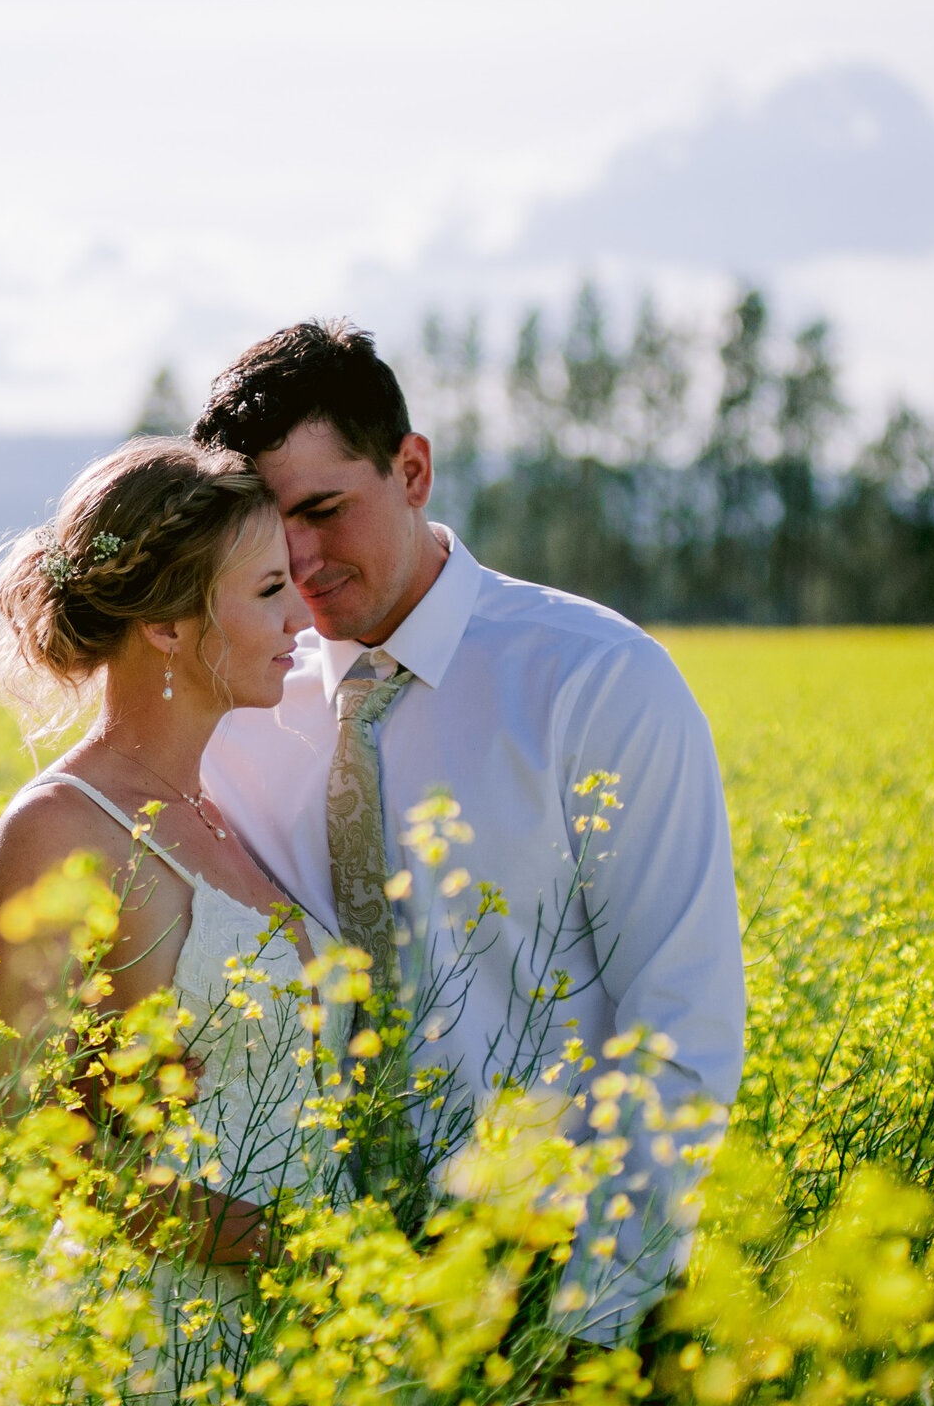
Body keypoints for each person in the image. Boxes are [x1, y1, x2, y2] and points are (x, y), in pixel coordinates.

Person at [190, 319, 746, 1349]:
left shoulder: (595, 680)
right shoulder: (235, 706)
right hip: (323, 1309)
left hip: (565, 1278)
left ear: (412, 469)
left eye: (323, 507)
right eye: (270, 526)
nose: (300, 558)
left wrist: (586, 1322)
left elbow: (682, 1020)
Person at [0, 437, 332, 1390]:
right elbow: (15, 1151)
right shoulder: (60, 830)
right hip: (143, 1337)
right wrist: (288, 1248)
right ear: (169, 625)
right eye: (265, 592)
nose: (299, 615)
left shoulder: (228, 812)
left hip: (284, 1343)